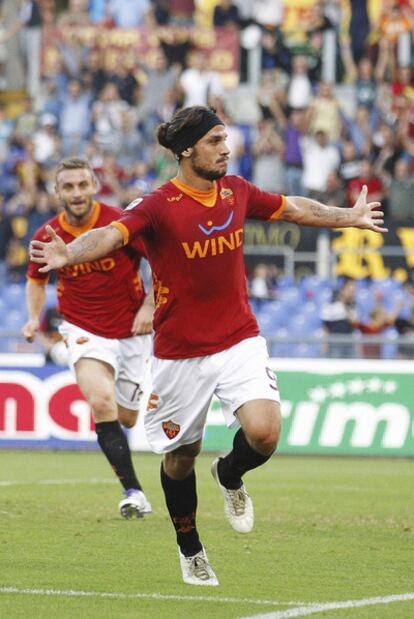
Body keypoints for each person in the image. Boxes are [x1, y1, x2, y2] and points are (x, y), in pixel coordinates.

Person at [30, 106, 387, 587]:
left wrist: (349, 216)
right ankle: (190, 547)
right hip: (179, 355)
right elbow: (110, 236)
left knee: (264, 434)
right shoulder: (157, 206)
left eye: (225, 139)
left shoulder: (236, 191)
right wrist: (68, 252)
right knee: (180, 458)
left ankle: (231, 474)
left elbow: (294, 207)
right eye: (216, 140)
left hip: (238, 337)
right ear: (186, 151)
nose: (226, 148)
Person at [22, 157, 154, 519]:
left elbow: (161, 262)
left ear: (94, 185)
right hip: (82, 330)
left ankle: (133, 480)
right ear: (57, 192)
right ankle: (134, 492)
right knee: (100, 401)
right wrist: (34, 318)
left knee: (126, 418)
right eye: (68, 186)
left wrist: (149, 305)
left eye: (82, 184)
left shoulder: (120, 222)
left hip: (132, 332)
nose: (76, 193)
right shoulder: (47, 235)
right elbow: (36, 279)